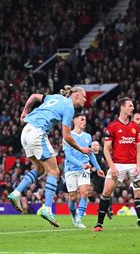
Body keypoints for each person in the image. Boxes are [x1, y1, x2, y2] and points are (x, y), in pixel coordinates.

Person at [7, 85, 91, 227]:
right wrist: (81, 149)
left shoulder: (56, 97)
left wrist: (25, 111)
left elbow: (34, 95)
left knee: (40, 169)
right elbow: (67, 136)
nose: (85, 99)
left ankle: (16, 193)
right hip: (38, 132)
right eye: (84, 96)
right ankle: (47, 209)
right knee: (54, 171)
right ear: (75, 95)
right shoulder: (69, 107)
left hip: (25, 132)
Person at [93, 97, 140, 232]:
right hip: (118, 164)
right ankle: (99, 224)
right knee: (107, 191)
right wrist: (113, 166)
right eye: (130, 106)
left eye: (133, 106)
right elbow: (106, 149)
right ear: (122, 108)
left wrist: (138, 165)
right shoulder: (113, 126)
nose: (132, 108)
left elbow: (139, 148)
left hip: (134, 164)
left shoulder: (135, 127)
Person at [63, 114, 105, 229]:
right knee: (72, 197)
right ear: (75, 121)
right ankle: (74, 216)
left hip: (84, 169)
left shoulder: (88, 137)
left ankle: (79, 219)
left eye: (85, 119)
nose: (84, 121)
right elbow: (68, 156)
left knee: (85, 193)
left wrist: (98, 169)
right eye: (82, 119)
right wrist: (81, 164)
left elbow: (90, 154)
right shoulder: (67, 136)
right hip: (71, 169)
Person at [90, 141, 113, 217]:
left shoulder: (102, 154)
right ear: (91, 146)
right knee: (99, 194)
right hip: (95, 178)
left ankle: (109, 208)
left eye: (97, 145)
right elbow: (86, 164)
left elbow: (107, 161)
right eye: (94, 145)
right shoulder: (90, 155)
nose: (96, 146)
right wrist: (91, 168)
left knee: (107, 192)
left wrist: (108, 167)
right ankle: (103, 208)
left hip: (104, 176)